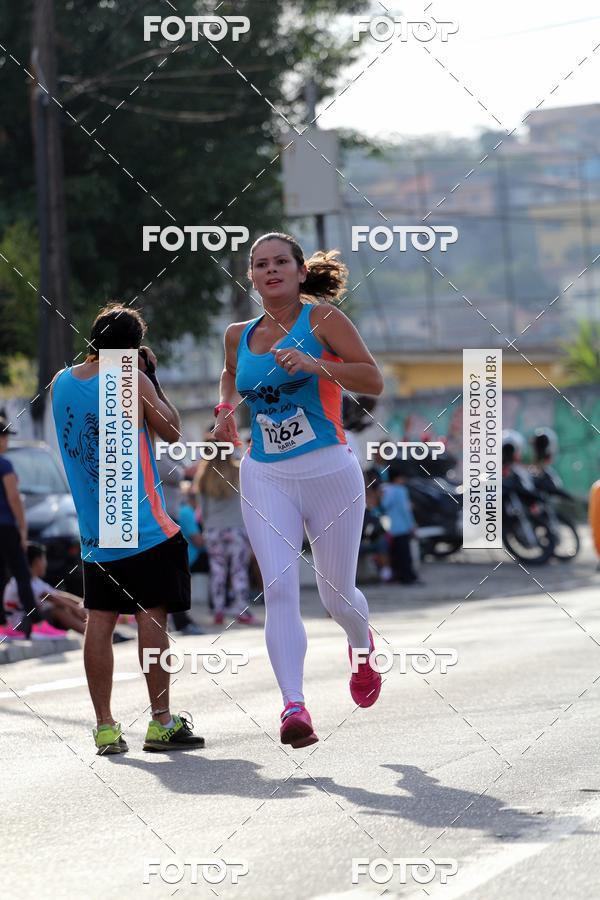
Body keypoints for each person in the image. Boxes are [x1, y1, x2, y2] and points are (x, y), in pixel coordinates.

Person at [212, 231, 384, 749]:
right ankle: (294, 705)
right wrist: (225, 412)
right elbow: (230, 374)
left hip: (330, 472)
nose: (271, 271)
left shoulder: (323, 320)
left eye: (280, 262)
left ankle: (361, 646)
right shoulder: (237, 334)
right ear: (250, 276)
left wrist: (316, 364)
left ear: (300, 271)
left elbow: (372, 379)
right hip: (266, 474)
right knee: (280, 588)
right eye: (261, 264)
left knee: (336, 595)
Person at [50, 303, 205, 755]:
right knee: (150, 616)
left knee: (99, 621)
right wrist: (149, 376)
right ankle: (161, 722)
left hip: (97, 532)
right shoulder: (132, 379)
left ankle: (105, 727)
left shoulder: (61, 382)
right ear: (135, 347)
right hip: (144, 527)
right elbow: (172, 431)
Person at [3, 542, 133, 642]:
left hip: (31, 621)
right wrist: (76, 608)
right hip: (19, 626)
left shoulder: (35, 581)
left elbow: (60, 595)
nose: (45, 564)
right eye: (44, 559)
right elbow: (52, 598)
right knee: (58, 610)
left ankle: (104, 633)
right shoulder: (23, 582)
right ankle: (98, 636)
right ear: (37, 562)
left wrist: (83, 603)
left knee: (66, 607)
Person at [192, 448, 257, 626]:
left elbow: (202, 509)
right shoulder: (238, 472)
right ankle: (241, 610)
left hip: (213, 529)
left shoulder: (203, 476)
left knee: (217, 571)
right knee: (239, 571)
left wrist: (207, 526)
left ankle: (218, 611)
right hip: (236, 528)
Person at [155, 454, 204, 636]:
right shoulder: (155, 451)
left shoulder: (161, 451)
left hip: (166, 519)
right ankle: (180, 621)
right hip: (162, 520)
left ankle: (178, 620)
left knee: (169, 574)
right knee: (171, 573)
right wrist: (186, 470)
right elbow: (175, 474)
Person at [0, 412, 39, 639]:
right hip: (6, 527)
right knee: (22, 575)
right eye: (4, 437)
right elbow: (14, 498)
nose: (7, 441)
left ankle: (3, 625)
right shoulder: (4, 465)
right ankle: (37, 624)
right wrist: (23, 529)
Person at [381, 464, 421, 585]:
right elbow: (405, 511)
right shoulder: (401, 490)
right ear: (397, 478)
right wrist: (412, 525)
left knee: (396, 554)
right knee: (405, 554)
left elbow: (384, 506)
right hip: (403, 527)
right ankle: (408, 577)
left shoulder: (386, 489)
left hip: (391, 528)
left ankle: (398, 576)